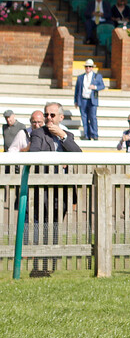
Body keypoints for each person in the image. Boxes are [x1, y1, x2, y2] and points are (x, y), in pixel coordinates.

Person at [28, 102, 82, 276]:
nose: (48, 118)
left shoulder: (68, 135)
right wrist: (57, 160)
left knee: (56, 226)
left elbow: (78, 155)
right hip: (43, 189)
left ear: (60, 117)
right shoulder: (38, 133)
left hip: (63, 190)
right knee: (41, 225)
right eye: (46, 115)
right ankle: (38, 266)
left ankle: (49, 263)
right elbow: (34, 154)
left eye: (52, 115)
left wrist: (63, 137)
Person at [74, 59, 106, 140]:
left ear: (92, 68)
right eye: (87, 66)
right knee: (84, 117)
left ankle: (94, 134)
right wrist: (76, 101)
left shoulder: (97, 76)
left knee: (92, 117)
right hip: (83, 99)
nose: (88, 68)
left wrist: (94, 87)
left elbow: (102, 86)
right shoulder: (80, 77)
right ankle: (86, 134)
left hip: (92, 100)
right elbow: (77, 90)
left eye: (90, 66)